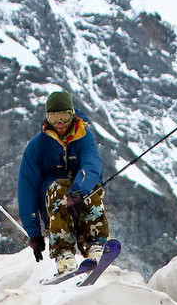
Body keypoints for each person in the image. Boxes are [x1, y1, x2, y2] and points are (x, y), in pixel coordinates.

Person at [17, 89, 110, 276]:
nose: (60, 124)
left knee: (93, 189)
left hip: (79, 193)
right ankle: (64, 252)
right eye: (55, 118)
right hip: (53, 198)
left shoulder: (84, 137)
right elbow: (26, 188)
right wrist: (33, 232)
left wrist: (78, 192)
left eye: (64, 117)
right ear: (47, 119)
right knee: (60, 188)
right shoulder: (37, 146)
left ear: (72, 115)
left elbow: (92, 165)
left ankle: (95, 245)